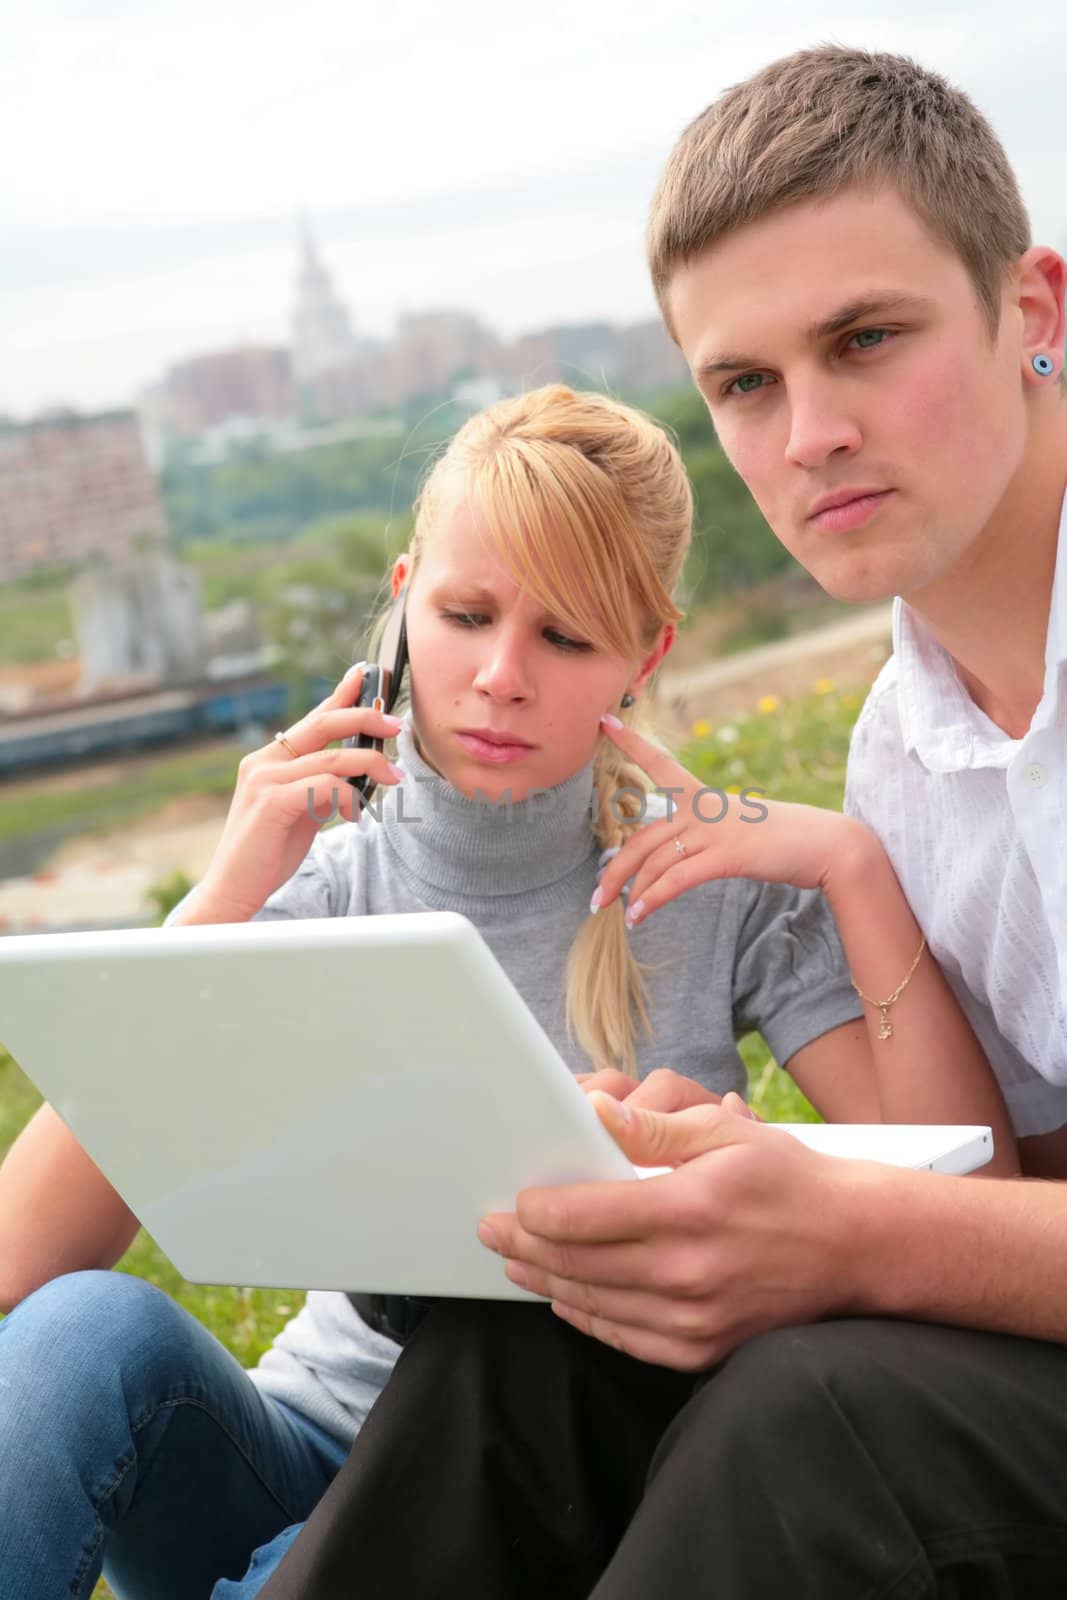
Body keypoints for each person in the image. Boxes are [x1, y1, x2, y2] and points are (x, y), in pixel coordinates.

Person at [247, 44, 1067, 1600]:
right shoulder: (903, 752)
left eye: (864, 339)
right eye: (743, 384)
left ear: (1028, 309)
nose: (805, 432)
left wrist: (846, 1231)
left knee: (798, 1412)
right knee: (542, 1332)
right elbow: (1011, 1218)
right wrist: (766, 1190)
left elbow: (946, 1253)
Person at [0, 379, 1012, 1600]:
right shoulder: (323, 875)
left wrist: (850, 870)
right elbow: (21, 1275)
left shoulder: (709, 874)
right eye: (466, 614)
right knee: (83, 1336)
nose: (498, 676)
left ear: (645, 655)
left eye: (566, 638)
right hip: (309, 1449)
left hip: (563, 1480)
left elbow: (976, 1198)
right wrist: (216, 900)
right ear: (403, 596)